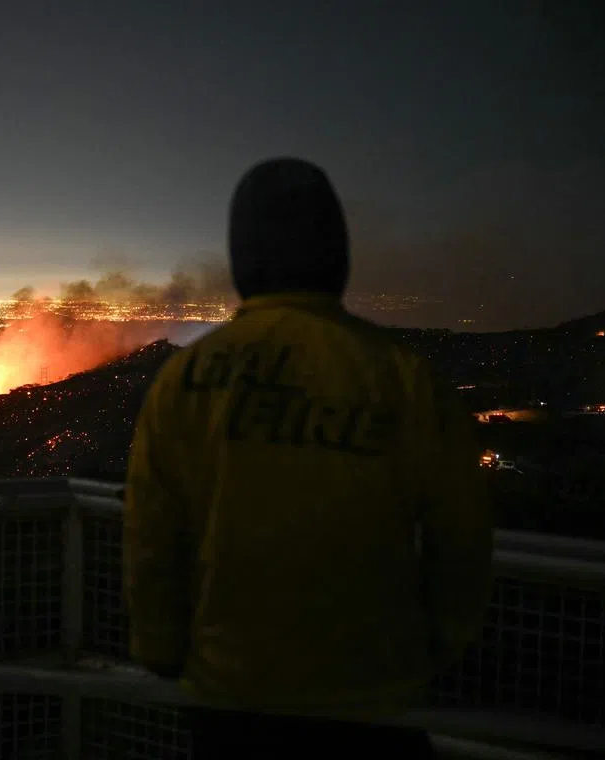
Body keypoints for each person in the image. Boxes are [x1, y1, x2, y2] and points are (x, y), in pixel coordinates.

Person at [123, 158, 492, 758]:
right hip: (373, 696)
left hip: (229, 694)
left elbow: (149, 537)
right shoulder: (403, 378)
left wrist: (161, 650)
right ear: (335, 251)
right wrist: (437, 646)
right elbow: (464, 535)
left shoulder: (184, 380)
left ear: (243, 255)